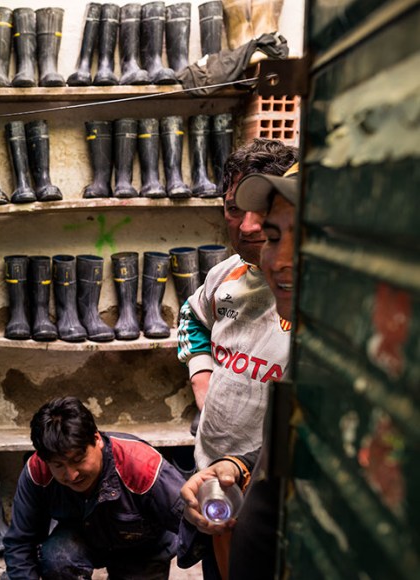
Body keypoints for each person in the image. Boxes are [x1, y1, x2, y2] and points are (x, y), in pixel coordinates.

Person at [176, 139, 296, 578]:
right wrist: (201, 375)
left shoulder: (297, 290)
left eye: (262, 217)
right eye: (231, 209)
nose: (245, 227)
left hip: (271, 481)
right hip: (213, 471)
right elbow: (192, 315)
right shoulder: (224, 275)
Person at [3, 396, 186, 579]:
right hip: (81, 540)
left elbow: (195, 526)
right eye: (58, 465)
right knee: (57, 557)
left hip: (142, 549)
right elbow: (20, 544)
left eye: (78, 460)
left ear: (96, 439)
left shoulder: (142, 466)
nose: (71, 475)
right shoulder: (38, 472)